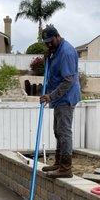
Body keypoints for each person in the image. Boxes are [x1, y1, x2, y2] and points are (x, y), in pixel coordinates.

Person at [40, 25, 81, 178]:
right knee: (58, 132)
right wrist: (48, 58)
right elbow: (53, 74)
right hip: (59, 99)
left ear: (57, 36)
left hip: (66, 98)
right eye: (46, 43)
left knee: (64, 133)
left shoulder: (66, 52)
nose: (48, 44)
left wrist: (50, 96)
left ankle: (66, 168)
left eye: (51, 41)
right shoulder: (55, 51)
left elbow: (68, 81)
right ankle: (58, 163)